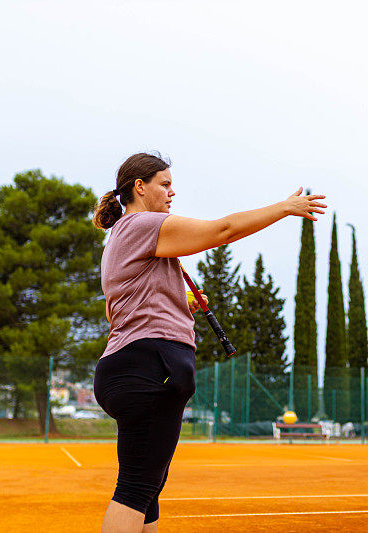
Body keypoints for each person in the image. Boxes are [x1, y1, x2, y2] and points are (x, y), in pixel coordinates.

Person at [91, 152, 327, 532]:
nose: (172, 193)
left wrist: (177, 301)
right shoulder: (142, 225)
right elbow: (223, 231)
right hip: (149, 367)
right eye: (164, 185)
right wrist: (284, 207)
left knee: (147, 490)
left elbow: (116, 311)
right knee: (136, 489)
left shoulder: (119, 238)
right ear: (140, 187)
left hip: (133, 366)